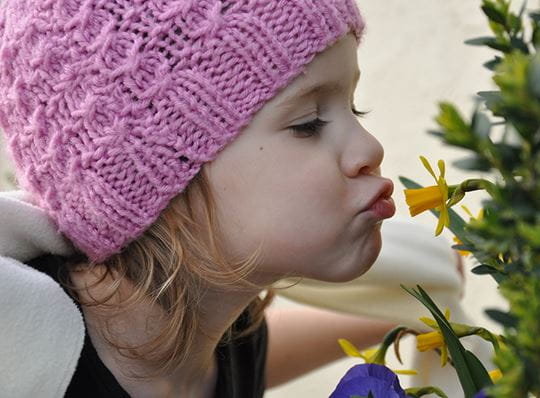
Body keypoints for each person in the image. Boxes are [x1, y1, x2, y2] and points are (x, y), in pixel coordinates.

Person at [0, 1, 419, 397]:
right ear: (159, 173)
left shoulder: (220, 337)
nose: (370, 149)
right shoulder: (26, 352)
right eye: (308, 124)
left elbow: (252, 356)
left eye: (354, 108)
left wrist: (405, 311)